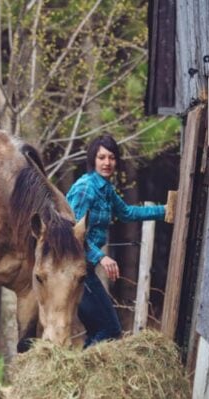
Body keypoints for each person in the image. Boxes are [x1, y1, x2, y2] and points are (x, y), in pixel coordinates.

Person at [66, 134, 166, 349]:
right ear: (93, 160)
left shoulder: (106, 190)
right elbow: (72, 234)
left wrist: (165, 211)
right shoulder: (85, 188)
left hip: (86, 268)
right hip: (73, 270)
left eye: (111, 158)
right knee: (110, 329)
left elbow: (128, 213)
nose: (107, 163)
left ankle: (83, 377)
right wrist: (101, 257)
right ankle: (82, 374)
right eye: (101, 157)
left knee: (99, 329)